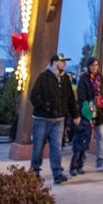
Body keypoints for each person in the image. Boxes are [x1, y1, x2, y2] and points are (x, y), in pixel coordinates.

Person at [29, 54, 79, 184]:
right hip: (42, 118)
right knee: (38, 146)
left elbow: (70, 99)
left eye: (65, 62)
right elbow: (34, 96)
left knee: (56, 147)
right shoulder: (43, 77)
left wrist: (75, 114)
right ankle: (34, 171)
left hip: (59, 119)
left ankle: (57, 173)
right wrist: (45, 106)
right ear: (54, 62)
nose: (64, 64)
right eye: (62, 61)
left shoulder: (65, 79)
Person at [78, 57, 103, 171]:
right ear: (88, 66)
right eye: (92, 65)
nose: (94, 67)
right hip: (88, 112)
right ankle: (79, 163)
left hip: (100, 112)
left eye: (96, 65)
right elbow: (81, 96)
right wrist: (89, 107)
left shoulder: (101, 78)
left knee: (101, 136)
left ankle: (100, 161)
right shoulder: (84, 79)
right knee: (84, 137)